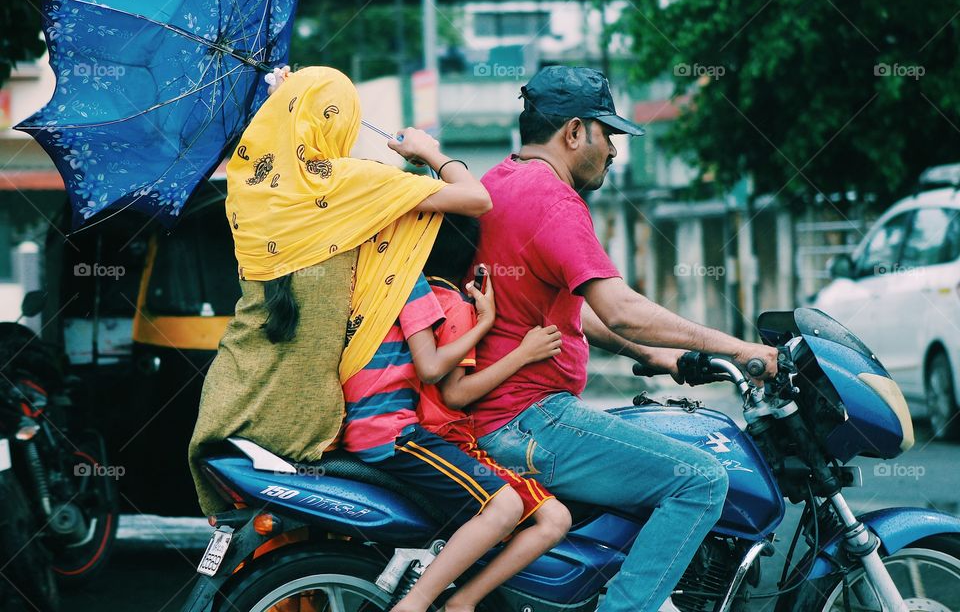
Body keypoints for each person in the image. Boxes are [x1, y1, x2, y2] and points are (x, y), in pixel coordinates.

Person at [469, 66, 779, 612]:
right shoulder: (556, 201)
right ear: (572, 133)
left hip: (498, 415)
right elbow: (621, 308)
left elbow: (567, 313)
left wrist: (653, 355)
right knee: (701, 480)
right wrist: (741, 347)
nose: (613, 150)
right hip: (530, 418)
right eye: (606, 134)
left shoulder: (496, 184)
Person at [188, 66, 491, 516]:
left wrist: (283, 100)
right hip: (304, 417)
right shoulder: (350, 182)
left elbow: (273, 150)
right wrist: (429, 153)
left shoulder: (249, 189)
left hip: (231, 396)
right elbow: (477, 199)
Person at [340, 213, 571, 612]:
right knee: (548, 518)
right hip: (410, 434)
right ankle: (447, 603)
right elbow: (454, 394)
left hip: (378, 429)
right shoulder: (446, 303)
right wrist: (514, 344)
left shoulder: (382, 290)